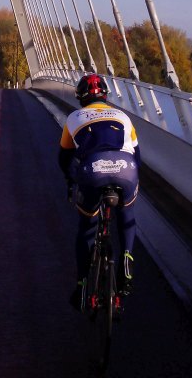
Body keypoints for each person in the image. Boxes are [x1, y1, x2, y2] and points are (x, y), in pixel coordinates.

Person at [58, 72, 140, 310]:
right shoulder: (123, 117)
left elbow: (64, 158)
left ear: (81, 97)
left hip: (93, 171)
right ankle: (126, 257)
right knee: (127, 215)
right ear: (105, 95)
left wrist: (71, 180)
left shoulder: (74, 118)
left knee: (86, 229)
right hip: (126, 169)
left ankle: (83, 284)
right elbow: (137, 155)